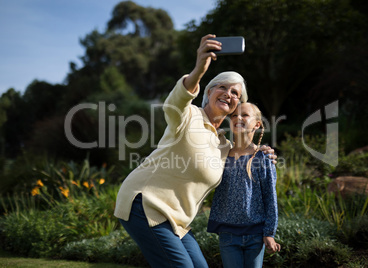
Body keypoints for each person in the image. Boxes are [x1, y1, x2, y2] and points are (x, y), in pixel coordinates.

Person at [114, 34, 277, 268]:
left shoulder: (224, 145)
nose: (228, 94)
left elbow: (243, 155)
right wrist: (199, 68)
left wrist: (261, 150)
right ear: (208, 92)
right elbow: (177, 101)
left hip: (177, 221)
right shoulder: (188, 116)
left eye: (235, 94)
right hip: (146, 204)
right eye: (222, 87)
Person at [207, 102, 281, 268]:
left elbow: (270, 197)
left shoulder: (263, 159)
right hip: (227, 234)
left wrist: (269, 232)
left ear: (257, 124)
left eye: (244, 115)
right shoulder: (220, 155)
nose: (238, 118)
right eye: (234, 115)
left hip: (255, 234)